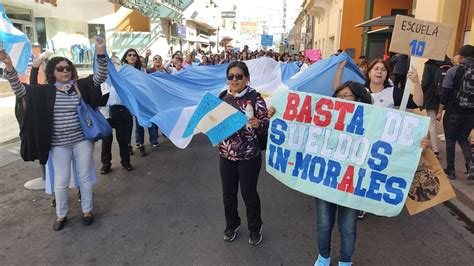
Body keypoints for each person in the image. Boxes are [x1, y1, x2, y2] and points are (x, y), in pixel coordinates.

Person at [1, 38, 109, 231]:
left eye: (68, 68)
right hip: (58, 144)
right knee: (61, 180)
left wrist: (100, 53)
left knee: (84, 177)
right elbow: (20, 89)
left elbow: (100, 77)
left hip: (82, 140)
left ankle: (87, 211)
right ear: (52, 72)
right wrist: (9, 66)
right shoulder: (45, 91)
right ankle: (61, 215)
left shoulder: (80, 86)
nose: (65, 71)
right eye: (60, 68)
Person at [218, 61, 269, 246]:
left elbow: (266, 122)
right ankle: (232, 224)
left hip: (249, 156)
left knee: (249, 194)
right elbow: (215, 123)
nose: (234, 80)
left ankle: (255, 228)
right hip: (226, 155)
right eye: (230, 76)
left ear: (247, 78)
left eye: (239, 76)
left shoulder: (255, 98)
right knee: (228, 194)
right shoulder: (222, 98)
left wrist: (259, 124)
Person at [437, 45, 474, 180]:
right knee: (463, 138)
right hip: (471, 113)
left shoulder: (454, 70)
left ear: (461, 56)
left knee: (450, 140)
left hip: (454, 111)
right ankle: (471, 166)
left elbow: (445, 93)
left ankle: (451, 170)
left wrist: (440, 111)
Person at [100, 57, 134, 174]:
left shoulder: (122, 80)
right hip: (105, 113)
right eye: (111, 65)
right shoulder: (100, 79)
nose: (114, 67)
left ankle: (126, 162)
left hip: (120, 110)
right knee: (106, 140)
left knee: (122, 139)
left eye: (116, 64)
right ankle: (105, 164)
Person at [421, 56, 452, 156]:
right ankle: (426, 143)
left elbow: (425, 82)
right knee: (432, 122)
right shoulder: (449, 64)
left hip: (431, 96)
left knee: (432, 122)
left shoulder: (429, 64)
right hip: (444, 96)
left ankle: (435, 149)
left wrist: (422, 90)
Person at [121, 48, 143, 156]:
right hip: (126, 100)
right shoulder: (122, 69)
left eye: (134, 55)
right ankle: (128, 145)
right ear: (126, 57)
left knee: (140, 123)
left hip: (139, 99)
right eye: (129, 55)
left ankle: (140, 143)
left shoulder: (140, 70)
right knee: (128, 125)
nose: (132, 57)